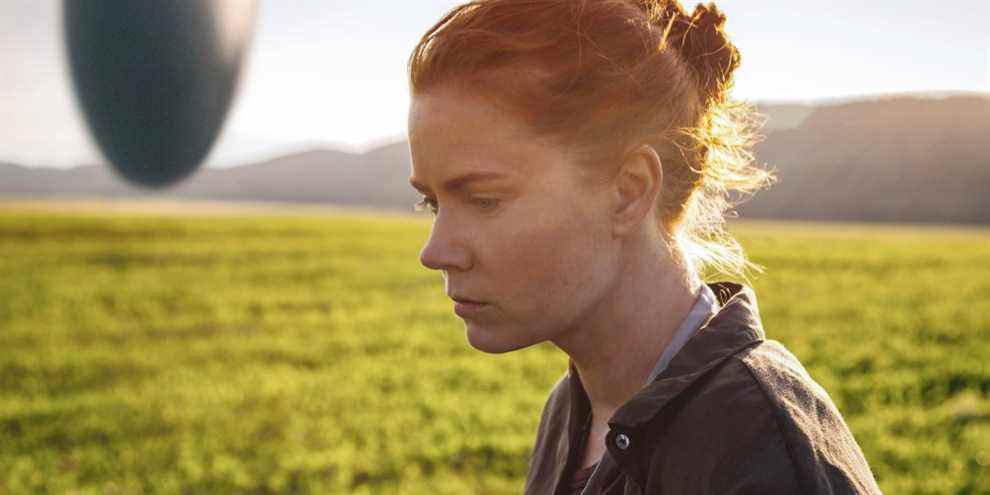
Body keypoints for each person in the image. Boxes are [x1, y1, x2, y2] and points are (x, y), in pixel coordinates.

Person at [406, 0, 882, 493]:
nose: (435, 251)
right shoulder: (573, 410)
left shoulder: (764, 453)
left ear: (629, 190)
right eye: (432, 204)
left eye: (484, 201)